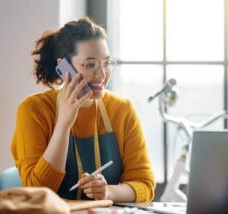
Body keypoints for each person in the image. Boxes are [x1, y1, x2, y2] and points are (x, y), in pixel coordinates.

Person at [11, 17, 155, 203]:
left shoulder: (122, 110)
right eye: (90, 64)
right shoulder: (33, 110)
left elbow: (145, 184)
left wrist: (108, 192)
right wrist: (63, 125)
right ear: (64, 66)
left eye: (107, 62)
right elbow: (37, 193)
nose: (102, 74)